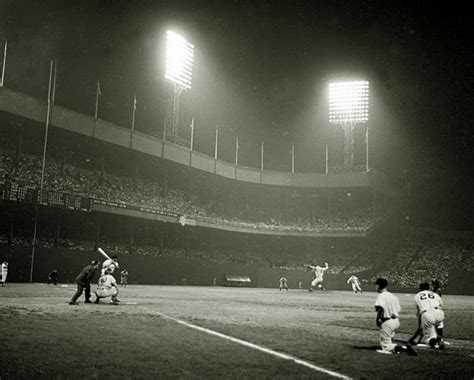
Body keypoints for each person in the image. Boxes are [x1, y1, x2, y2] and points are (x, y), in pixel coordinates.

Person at [374, 278, 417, 356]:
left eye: (376, 285)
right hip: (396, 321)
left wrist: (377, 320)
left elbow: (380, 309)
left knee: (386, 347)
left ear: (379, 286)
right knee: (389, 340)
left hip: (387, 322)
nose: (375, 287)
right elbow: (398, 309)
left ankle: (405, 349)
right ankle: (402, 348)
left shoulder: (381, 296)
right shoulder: (393, 296)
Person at [414, 282, 445, 349]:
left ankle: (435, 343)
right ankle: (441, 338)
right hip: (439, 312)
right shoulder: (435, 294)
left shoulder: (417, 295)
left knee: (429, 338)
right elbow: (441, 305)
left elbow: (419, 311)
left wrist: (420, 325)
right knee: (439, 325)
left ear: (420, 288)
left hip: (427, 314)